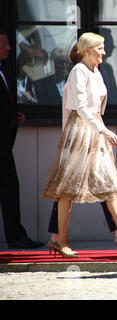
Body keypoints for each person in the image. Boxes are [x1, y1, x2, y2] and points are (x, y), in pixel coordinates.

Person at [41, 32, 117, 258]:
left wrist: (101, 129)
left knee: (109, 183)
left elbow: (96, 108)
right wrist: (103, 130)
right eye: (100, 48)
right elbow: (80, 107)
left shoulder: (96, 71)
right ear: (87, 50)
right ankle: (60, 239)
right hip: (81, 131)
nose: (104, 52)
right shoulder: (79, 71)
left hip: (95, 131)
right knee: (68, 188)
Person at [0, 27, 43, 249]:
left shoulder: (3, 71)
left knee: (10, 188)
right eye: (5, 44)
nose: (9, 48)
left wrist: (12, 118)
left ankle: (16, 236)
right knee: (9, 188)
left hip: (5, 143)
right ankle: (16, 236)